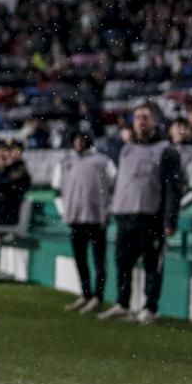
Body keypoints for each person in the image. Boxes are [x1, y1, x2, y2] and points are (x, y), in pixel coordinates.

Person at [98, 103, 182, 324]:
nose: (140, 121)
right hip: (125, 215)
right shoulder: (126, 149)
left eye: (145, 117)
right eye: (136, 117)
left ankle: (149, 307)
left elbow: (173, 189)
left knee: (152, 264)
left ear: (155, 121)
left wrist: (170, 220)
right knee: (122, 261)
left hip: (151, 215)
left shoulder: (167, 150)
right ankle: (123, 304)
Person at [52, 131, 116, 313]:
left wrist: (108, 209)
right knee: (81, 260)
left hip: (97, 219)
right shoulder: (65, 163)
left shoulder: (103, 161)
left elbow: (115, 185)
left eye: (82, 140)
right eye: (76, 139)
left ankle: (98, 296)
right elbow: (56, 190)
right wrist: (65, 212)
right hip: (75, 219)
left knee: (99, 260)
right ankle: (86, 294)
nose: (78, 143)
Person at [169, 118, 192, 208]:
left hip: (177, 206)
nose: (181, 130)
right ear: (170, 129)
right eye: (178, 126)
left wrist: (176, 208)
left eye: (185, 127)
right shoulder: (162, 149)